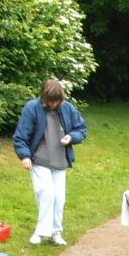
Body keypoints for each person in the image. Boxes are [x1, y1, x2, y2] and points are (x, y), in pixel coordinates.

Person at [13, 79, 87, 246]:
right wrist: (24, 156)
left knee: (59, 198)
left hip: (60, 161)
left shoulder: (67, 108)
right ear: (44, 98)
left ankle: (56, 232)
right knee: (46, 194)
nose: (54, 104)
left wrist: (72, 137)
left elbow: (81, 129)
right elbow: (20, 136)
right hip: (39, 159)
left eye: (57, 101)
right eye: (51, 101)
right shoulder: (32, 108)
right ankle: (40, 232)